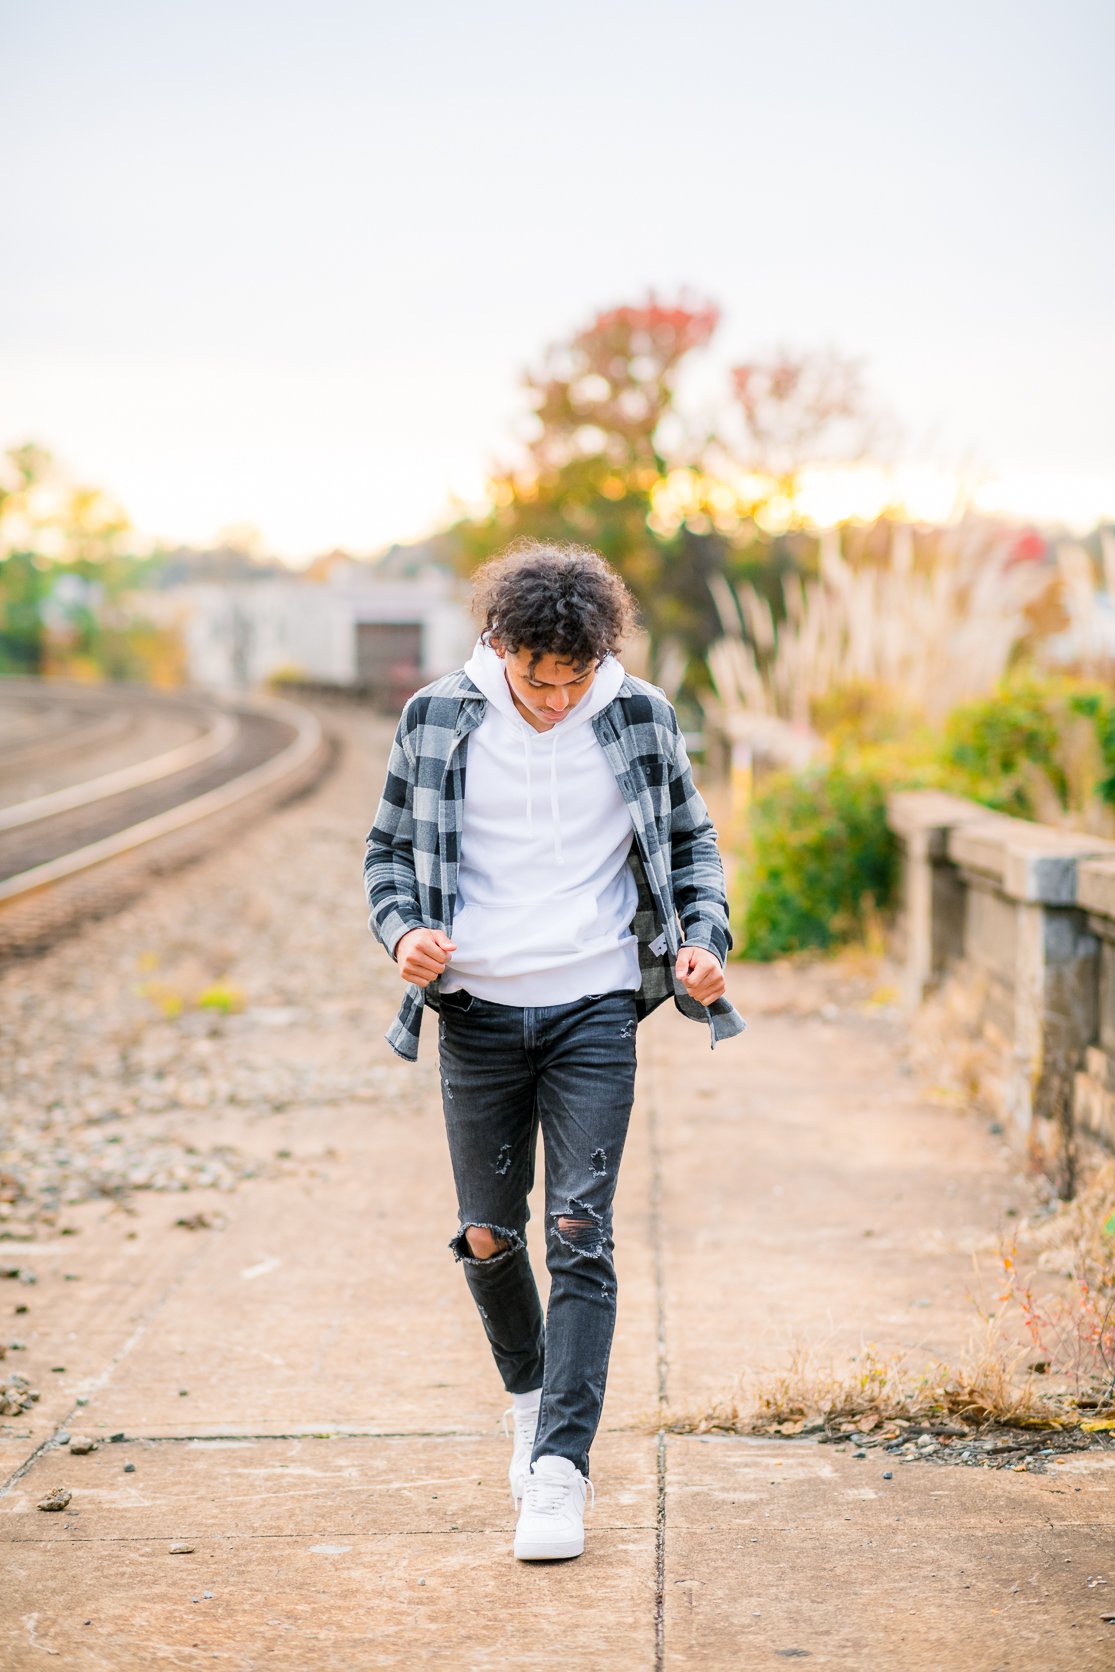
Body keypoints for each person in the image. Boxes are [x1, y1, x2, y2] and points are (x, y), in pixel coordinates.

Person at [362, 539, 745, 1561]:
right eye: (537, 679)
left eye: (572, 680)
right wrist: (404, 933)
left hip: (592, 1007)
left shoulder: (634, 716)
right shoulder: (438, 717)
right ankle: (532, 1402)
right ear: (499, 644)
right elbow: (388, 851)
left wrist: (701, 940)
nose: (553, 700)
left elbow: (691, 844)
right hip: (477, 1010)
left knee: (580, 1226)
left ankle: (559, 1470)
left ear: (597, 659)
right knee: (488, 1235)